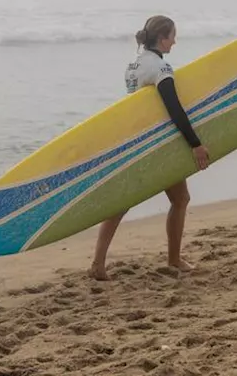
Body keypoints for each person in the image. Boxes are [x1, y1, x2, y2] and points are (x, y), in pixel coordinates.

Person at [90, 15, 211, 281]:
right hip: (160, 145)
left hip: (136, 141)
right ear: (162, 37)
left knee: (166, 200)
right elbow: (174, 109)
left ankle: (99, 264)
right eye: (172, 36)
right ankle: (173, 259)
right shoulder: (161, 68)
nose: (175, 41)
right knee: (177, 200)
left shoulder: (132, 67)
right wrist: (196, 144)